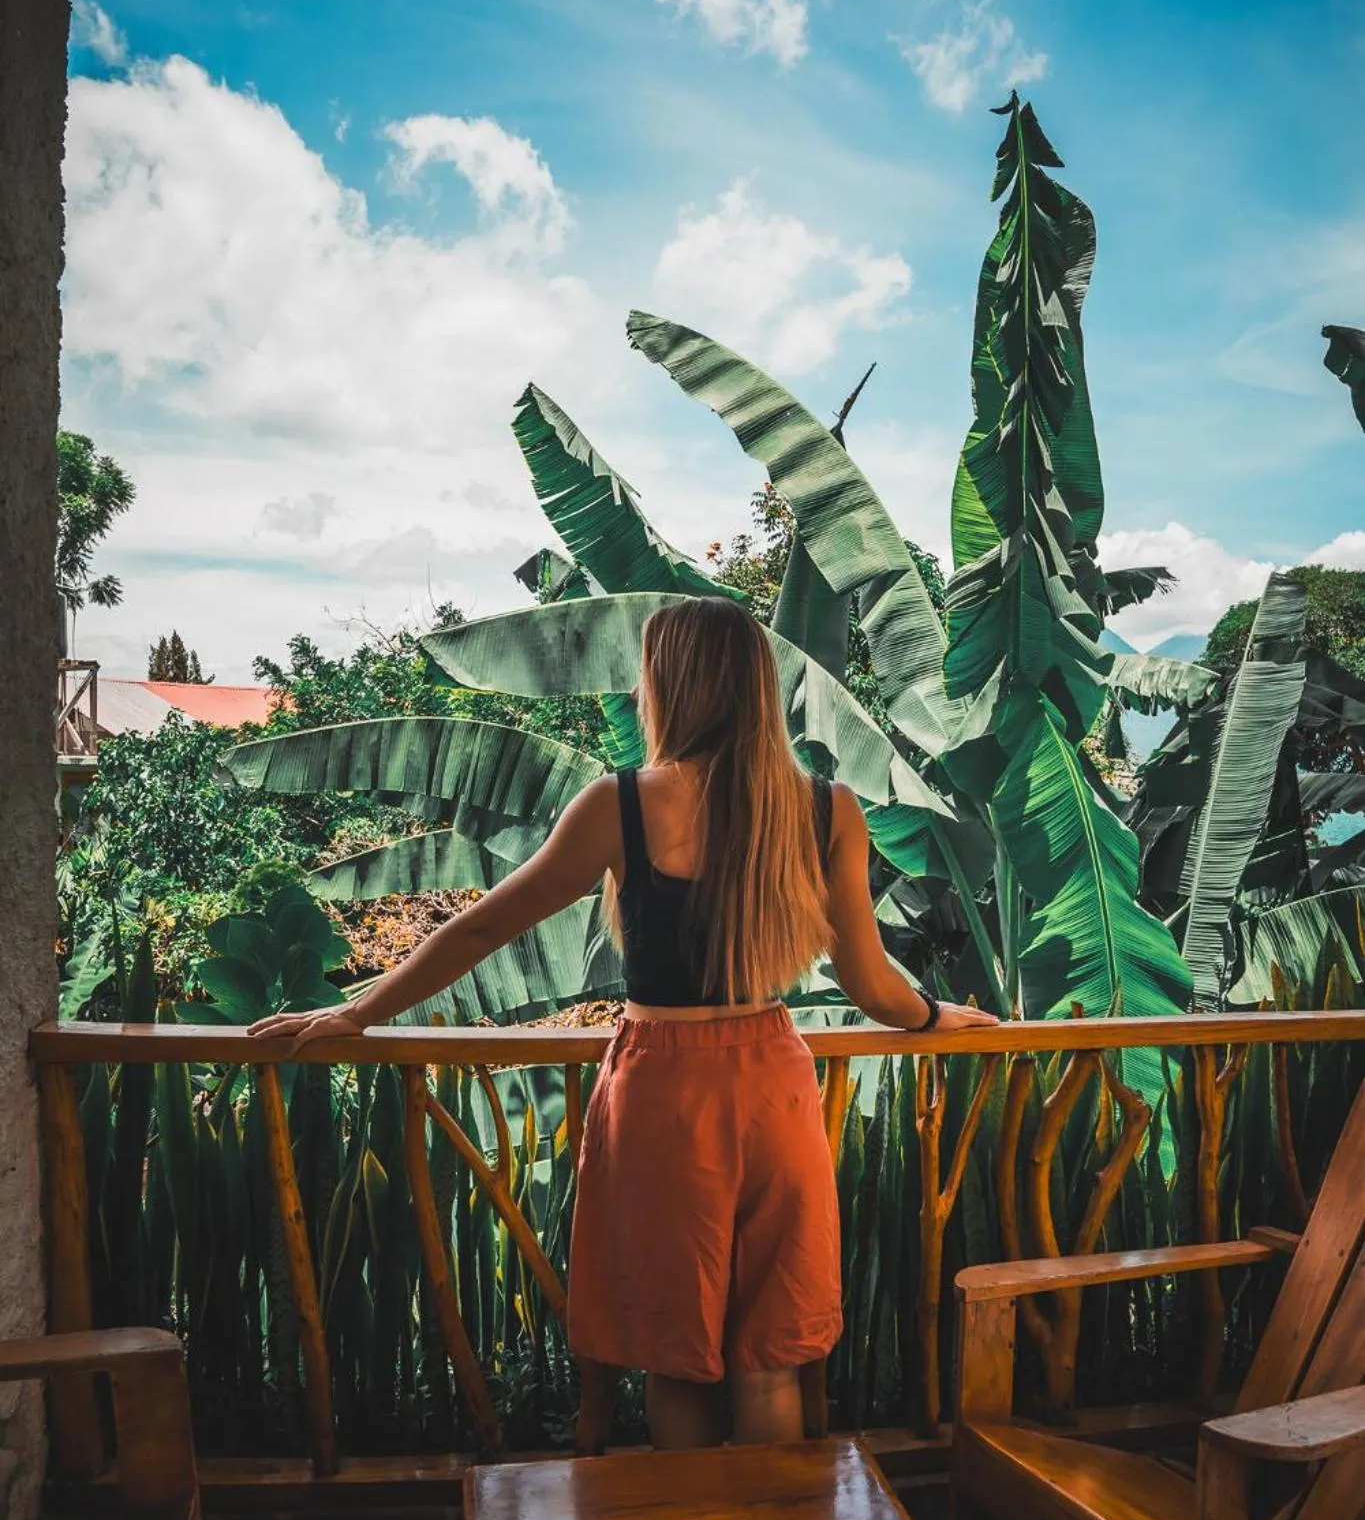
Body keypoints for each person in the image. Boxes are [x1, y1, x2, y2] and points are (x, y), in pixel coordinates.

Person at [249, 597, 997, 1450]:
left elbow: (486, 925)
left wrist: (356, 1009)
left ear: (670, 688)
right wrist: (938, 1014)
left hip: (662, 1089)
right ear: (756, 689)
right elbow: (872, 988)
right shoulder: (828, 810)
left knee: (677, 1356)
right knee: (768, 1358)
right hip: (773, 1084)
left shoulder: (623, 805)